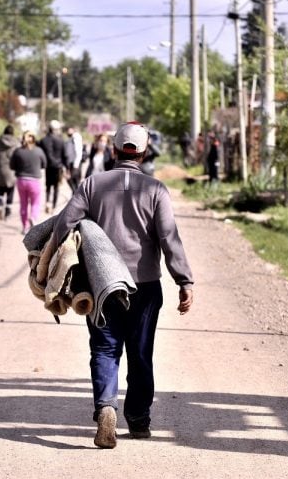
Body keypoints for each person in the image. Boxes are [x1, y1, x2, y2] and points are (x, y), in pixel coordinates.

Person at [49, 121, 194, 449]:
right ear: (144, 154)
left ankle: (105, 408)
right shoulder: (155, 190)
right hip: (144, 286)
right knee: (140, 353)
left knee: (103, 348)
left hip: (101, 285)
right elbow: (168, 238)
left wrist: (57, 263)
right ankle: (139, 420)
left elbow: (63, 225)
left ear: (114, 151)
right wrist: (183, 280)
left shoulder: (92, 185)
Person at [10, 130, 47, 234]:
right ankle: (33, 218)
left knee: (23, 203)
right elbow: (44, 164)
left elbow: (11, 166)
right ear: (34, 139)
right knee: (35, 202)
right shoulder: (39, 151)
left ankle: (24, 227)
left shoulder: (18, 151)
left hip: (21, 180)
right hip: (34, 180)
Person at [38, 120, 67, 213]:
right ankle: (54, 206)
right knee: (56, 187)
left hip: (48, 166)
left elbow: (39, 151)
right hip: (58, 167)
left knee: (48, 186)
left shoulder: (43, 140)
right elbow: (64, 155)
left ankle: (47, 202)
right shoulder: (61, 140)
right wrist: (65, 166)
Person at [0, 125, 20, 221]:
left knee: (0, 188)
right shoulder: (17, 143)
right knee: (10, 190)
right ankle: (8, 211)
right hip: (12, 170)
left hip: (0, 168)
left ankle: (0, 203)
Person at [65, 126, 84, 193]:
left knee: (73, 180)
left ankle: (76, 195)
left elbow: (78, 151)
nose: (68, 132)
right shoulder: (70, 139)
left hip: (75, 164)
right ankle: (75, 194)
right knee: (73, 181)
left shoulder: (76, 137)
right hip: (73, 164)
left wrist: (76, 165)